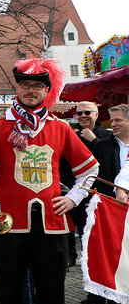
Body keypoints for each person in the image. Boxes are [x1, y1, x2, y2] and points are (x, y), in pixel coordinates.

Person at [0, 57, 99, 304]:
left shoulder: (60, 128)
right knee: (10, 296)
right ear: (18, 88)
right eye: (25, 85)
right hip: (9, 224)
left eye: (37, 86)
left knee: (53, 296)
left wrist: (73, 199)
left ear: (47, 91)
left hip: (53, 225)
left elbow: (90, 170)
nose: (30, 90)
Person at [82, 103, 129, 304]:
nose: (114, 124)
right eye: (113, 119)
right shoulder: (102, 146)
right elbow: (90, 173)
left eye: (118, 120)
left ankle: (121, 297)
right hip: (106, 208)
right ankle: (95, 303)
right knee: (99, 254)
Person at [60, 101, 110, 266]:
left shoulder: (106, 135)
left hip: (100, 192)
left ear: (96, 114)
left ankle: (96, 263)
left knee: (97, 231)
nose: (83, 116)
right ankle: (74, 257)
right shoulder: (70, 134)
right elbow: (62, 165)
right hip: (77, 191)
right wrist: (74, 186)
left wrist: (94, 141)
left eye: (87, 112)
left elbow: (109, 162)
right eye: (79, 113)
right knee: (75, 228)